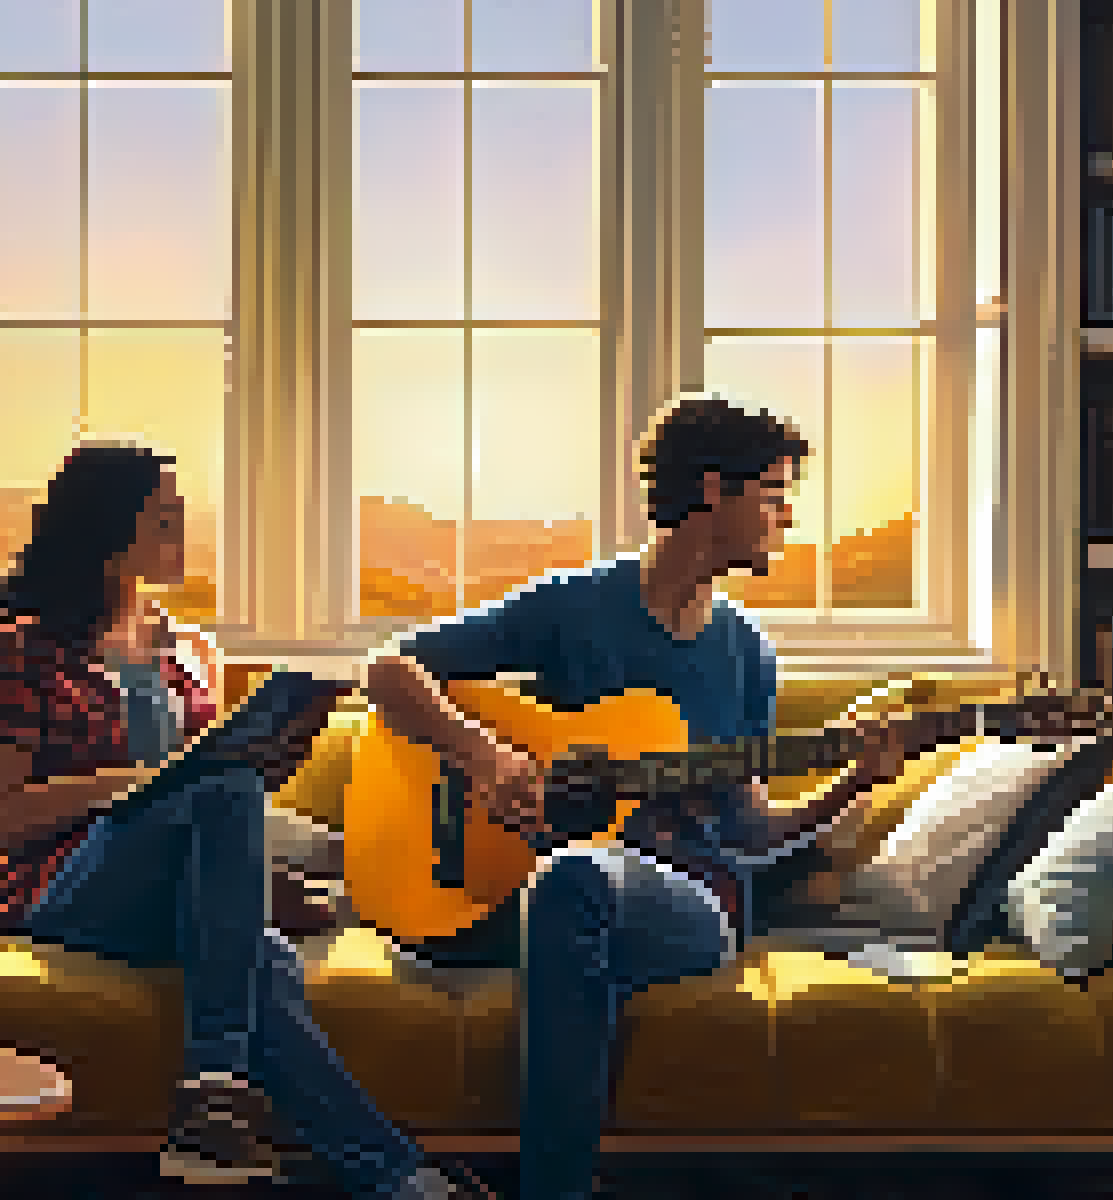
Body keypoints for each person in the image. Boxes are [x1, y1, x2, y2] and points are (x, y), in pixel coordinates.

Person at [0, 439, 487, 1199]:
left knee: (267, 952)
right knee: (220, 792)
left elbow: (214, 824)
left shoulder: (191, 655)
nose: (184, 532)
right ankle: (211, 1094)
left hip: (173, 895)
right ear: (112, 533)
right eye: (166, 519)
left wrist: (264, 881)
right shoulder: (21, 651)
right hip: (69, 889)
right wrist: (145, 782)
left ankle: (400, 1182)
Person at [360, 392, 897, 1200]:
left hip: (690, 902)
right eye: (774, 496)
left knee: (576, 878)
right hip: (517, 893)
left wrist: (853, 780)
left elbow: (750, 828)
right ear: (714, 491)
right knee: (571, 876)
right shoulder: (576, 607)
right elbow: (389, 668)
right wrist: (481, 754)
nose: (787, 518)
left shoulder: (746, 650)